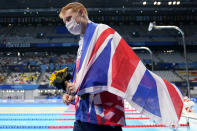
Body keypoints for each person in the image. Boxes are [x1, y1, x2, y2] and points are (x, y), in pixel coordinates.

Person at [59, 2, 125, 131]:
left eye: (69, 19)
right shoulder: (83, 42)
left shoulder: (102, 33)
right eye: (64, 21)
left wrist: (78, 86)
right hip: (84, 114)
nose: (67, 24)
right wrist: (73, 95)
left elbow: (110, 72)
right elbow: (82, 78)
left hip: (105, 116)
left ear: (81, 13)